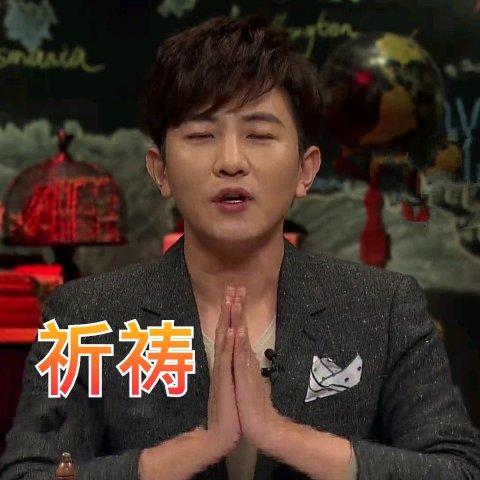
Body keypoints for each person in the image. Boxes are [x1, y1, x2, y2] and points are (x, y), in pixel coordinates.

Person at [1, 14, 480, 480]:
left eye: (259, 134)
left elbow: (456, 469)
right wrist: (194, 449)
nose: (231, 161)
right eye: (201, 135)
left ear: (306, 170)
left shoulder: (384, 310)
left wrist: (281, 435)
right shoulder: (86, 318)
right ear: (160, 171)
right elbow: (31, 472)